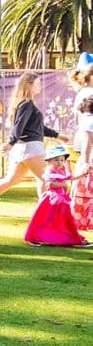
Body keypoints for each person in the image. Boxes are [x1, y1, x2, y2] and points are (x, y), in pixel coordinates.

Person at [0, 71, 61, 200]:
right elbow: (19, 125)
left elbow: (37, 127)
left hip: (23, 148)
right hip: (30, 148)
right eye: (37, 83)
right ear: (29, 85)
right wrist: (11, 142)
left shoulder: (26, 104)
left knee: (11, 180)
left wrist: (57, 136)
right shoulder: (27, 104)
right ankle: (47, 210)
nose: (40, 86)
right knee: (48, 179)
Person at [23, 144, 92, 247]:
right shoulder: (49, 170)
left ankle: (71, 238)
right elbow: (50, 184)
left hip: (61, 199)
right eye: (56, 160)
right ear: (49, 161)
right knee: (46, 218)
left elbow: (71, 177)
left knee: (63, 219)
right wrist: (63, 185)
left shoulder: (62, 170)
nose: (59, 162)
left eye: (62, 160)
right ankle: (35, 237)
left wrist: (82, 174)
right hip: (52, 199)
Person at [71, 55, 93, 229]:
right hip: (89, 150)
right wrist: (85, 158)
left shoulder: (83, 92)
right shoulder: (88, 94)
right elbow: (87, 129)